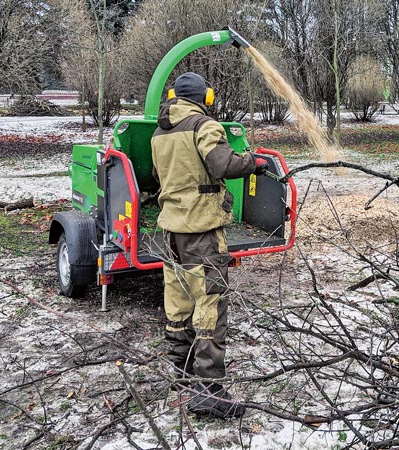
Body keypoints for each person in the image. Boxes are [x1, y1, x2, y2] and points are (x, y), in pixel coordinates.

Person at [151, 72, 268, 419]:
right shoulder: (204, 126)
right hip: (202, 229)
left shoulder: (161, 132)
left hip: (172, 231)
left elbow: (161, 178)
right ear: (207, 97)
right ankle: (208, 391)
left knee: (178, 304)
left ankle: (183, 376)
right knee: (210, 307)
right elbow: (222, 164)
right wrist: (253, 162)